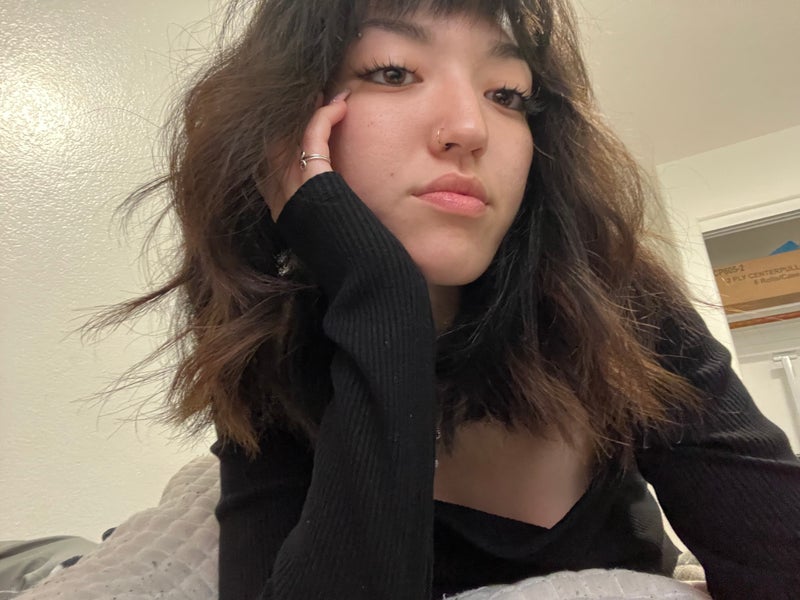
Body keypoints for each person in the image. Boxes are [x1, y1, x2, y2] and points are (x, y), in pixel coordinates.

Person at [102, 0, 800, 598]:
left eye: (508, 95)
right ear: (285, 132)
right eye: (392, 72)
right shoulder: (275, 373)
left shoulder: (627, 313)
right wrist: (384, 307)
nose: (470, 128)